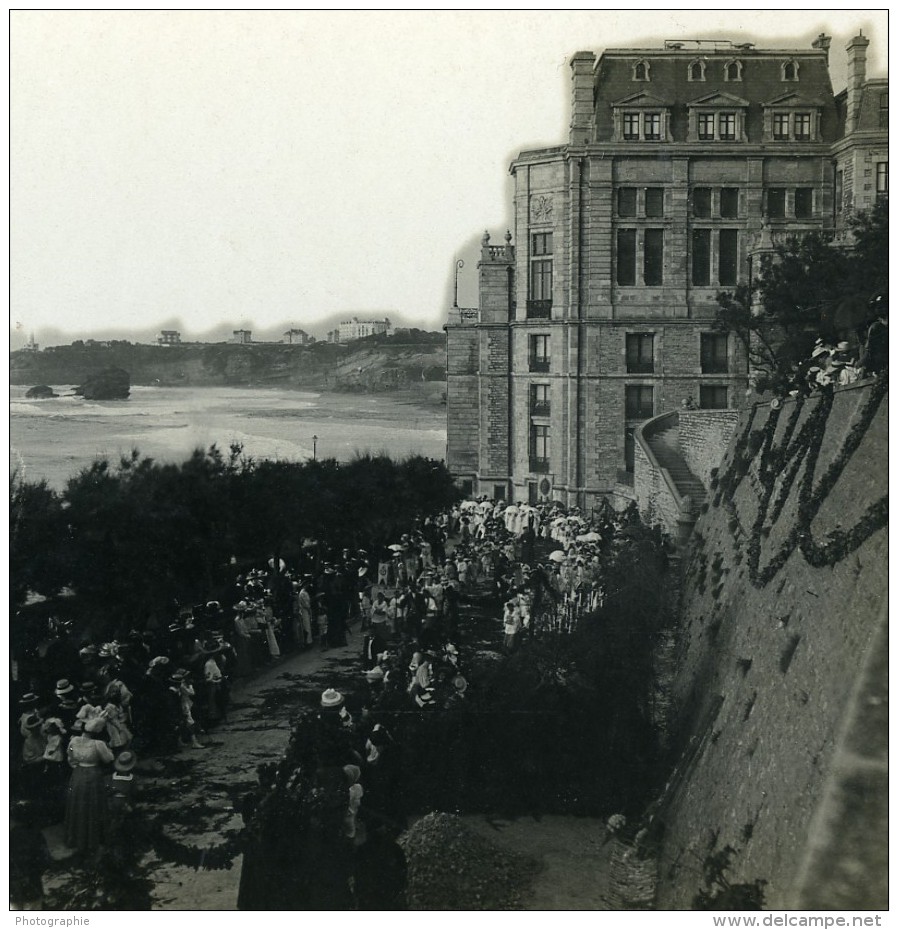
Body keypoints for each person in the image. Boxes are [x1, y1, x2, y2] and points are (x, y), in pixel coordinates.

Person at [64, 716, 114, 852]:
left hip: (78, 773)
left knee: (78, 802)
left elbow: (70, 755)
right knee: (94, 803)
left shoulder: (73, 741)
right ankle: (93, 838)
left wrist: (75, 765)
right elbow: (108, 759)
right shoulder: (98, 744)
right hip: (93, 774)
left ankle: (76, 837)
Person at [10, 801, 51, 910]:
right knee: (34, 909)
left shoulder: (9, 836)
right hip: (32, 881)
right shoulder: (36, 836)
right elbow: (45, 860)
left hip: (12, 885)